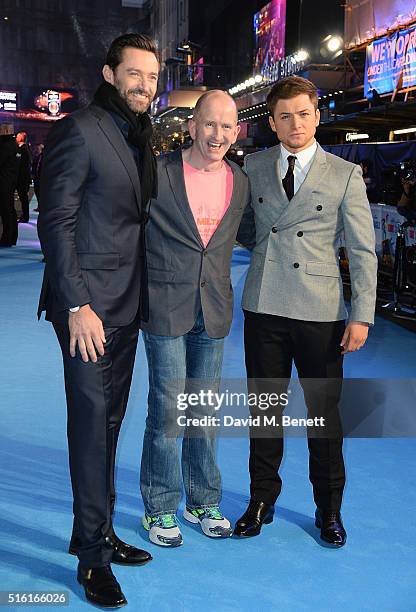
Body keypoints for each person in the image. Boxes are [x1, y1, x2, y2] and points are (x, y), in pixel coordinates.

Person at [37, 33, 159, 608]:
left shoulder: (141, 136)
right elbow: (55, 224)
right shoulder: (80, 129)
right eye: (134, 74)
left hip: (127, 304)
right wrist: (75, 305)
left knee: (109, 426)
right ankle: (92, 560)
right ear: (109, 73)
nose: (144, 85)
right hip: (86, 310)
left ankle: (100, 530)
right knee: (91, 429)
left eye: (153, 77)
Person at [235, 76, 377, 546]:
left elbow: (362, 250)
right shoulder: (253, 166)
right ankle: (261, 501)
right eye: (284, 116)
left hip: (320, 311)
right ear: (271, 123)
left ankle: (329, 509)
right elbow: (246, 227)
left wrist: (362, 315)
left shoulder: (345, 174)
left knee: (323, 416)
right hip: (264, 304)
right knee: (265, 411)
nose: (294, 123)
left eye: (303, 113)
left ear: (317, 116)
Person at [139, 90, 249, 547]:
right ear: (191, 127)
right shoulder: (159, 174)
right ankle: (159, 508)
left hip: (215, 310)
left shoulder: (240, 182)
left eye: (226, 126)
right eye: (209, 124)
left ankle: (202, 499)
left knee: (203, 412)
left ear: (236, 132)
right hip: (165, 304)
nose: (217, 134)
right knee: (167, 412)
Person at [0, 124, 20, 247]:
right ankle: (11, 236)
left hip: (4, 181)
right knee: (10, 210)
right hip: (11, 180)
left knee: (6, 210)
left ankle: (7, 237)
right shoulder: (14, 145)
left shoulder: (6, 146)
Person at [15, 131, 32, 223]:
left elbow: (22, 166)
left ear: (21, 138)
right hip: (23, 178)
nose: (16, 138)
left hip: (22, 179)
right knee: (23, 198)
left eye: (17, 136)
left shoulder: (23, 150)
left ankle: (25, 217)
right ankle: (24, 215)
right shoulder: (24, 149)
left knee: (23, 199)